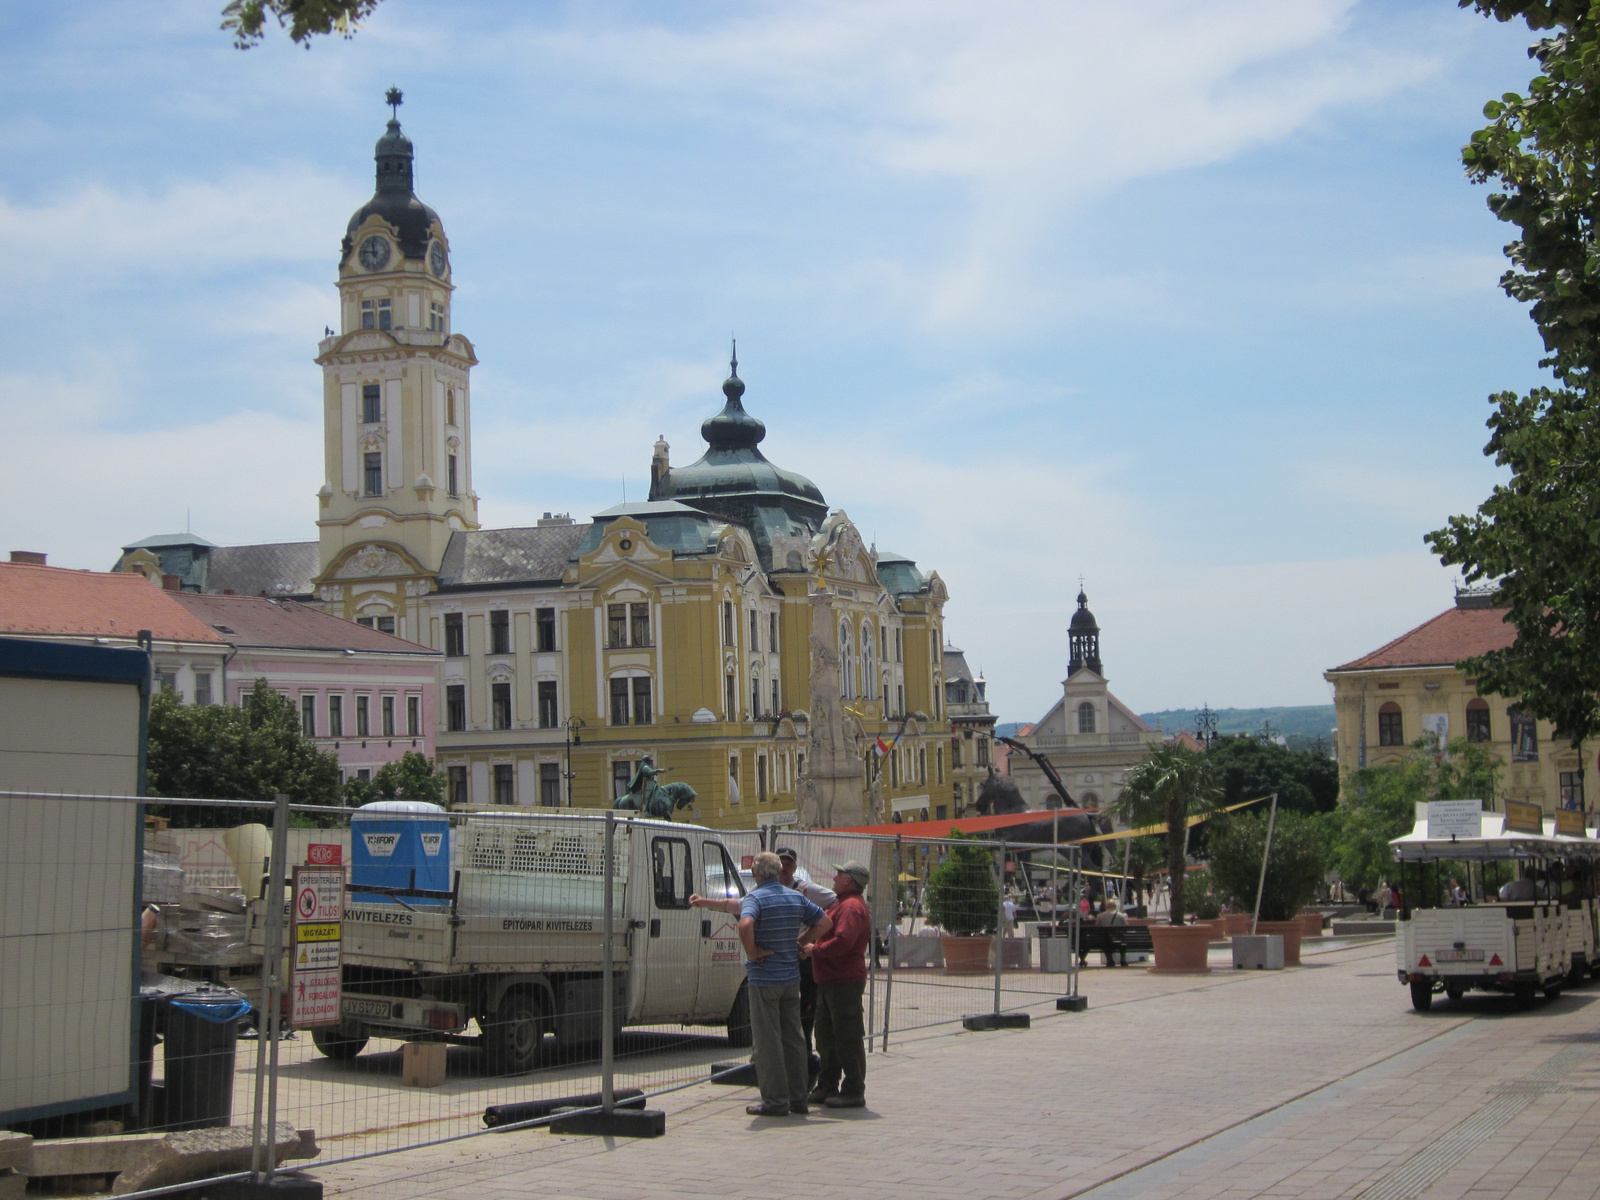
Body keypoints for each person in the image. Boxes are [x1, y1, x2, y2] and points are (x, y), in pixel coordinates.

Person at [692, 851, 829, 1117]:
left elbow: (744, 923)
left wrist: (753, 951)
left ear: (755, 873)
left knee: (768, 1042)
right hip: (791, 979)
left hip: (764, 979)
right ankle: (799, 1098)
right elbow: (825, 921)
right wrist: (801, 943)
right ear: (778, 872)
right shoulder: (794, 897)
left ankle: (776, 1101)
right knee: (794, 1038)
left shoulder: (756, 897)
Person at [801, 859, 872, 1108]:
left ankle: (853, 1089)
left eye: (839, 875)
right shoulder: (842, 905)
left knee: (847, 1036)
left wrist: (814, 950)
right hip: (831, 981)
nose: (834, 879)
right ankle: (827, 1084)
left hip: (843, 981)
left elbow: (844, 942)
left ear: (848, 880)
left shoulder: (851, 907)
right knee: (827, 1037)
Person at [776, 847, 834, 1058]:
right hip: (778, 959)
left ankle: (805, 1054)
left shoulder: (806, 889)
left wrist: (810, 936)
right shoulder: (764, 888)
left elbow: (835, 902)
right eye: (780, 862)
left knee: (805, 1008)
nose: (784, 867)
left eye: (788, 863)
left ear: (795, 867)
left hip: (801, 959)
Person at [1095, 894, 1128, 967]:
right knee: (1122, 944)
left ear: (1106, 906)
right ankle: (1123, 960)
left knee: (1105, 943)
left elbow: (1097, 927)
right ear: (1115, 906)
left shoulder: (1100, 916)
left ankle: (1110, 960)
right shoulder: (1121, 915)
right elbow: (1126, 926)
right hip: (1119, 939)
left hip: (1106, 940)